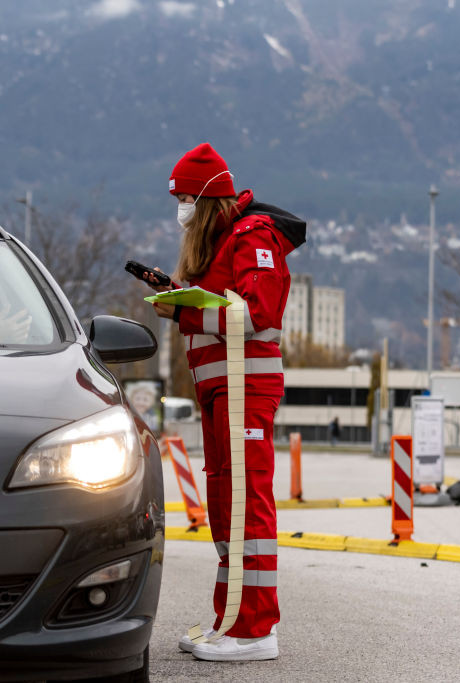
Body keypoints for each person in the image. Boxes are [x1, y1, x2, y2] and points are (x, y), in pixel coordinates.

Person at [147, 142, 305, 662]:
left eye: (187, 197)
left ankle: (256, 629)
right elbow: (227, 307)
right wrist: (178, 295)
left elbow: (259, 317)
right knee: (224, 503)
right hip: (220, 390)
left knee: (246, 503)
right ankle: (230, 617)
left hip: (245, 389)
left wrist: (185, 314)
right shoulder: (218, 242)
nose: (181, 208)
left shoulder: (252, 236)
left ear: (209, 197)